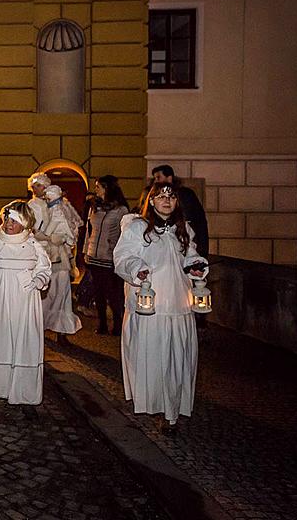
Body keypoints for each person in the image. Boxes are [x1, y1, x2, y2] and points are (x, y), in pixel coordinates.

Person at [113, 182, 207, 435]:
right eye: (161, 196)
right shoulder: (136, 228)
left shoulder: (183, 229)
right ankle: (154, 402)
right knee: (152, 359)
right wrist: (137, 269)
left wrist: (195, 265)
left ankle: (172, 413)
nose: (167, 200)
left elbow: (190, 255)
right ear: (151, 200)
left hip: (178, 306)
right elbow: (123, 257)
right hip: (150, 308)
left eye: (172, 196)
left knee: (176, 361)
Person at [0, 200, 52, 406]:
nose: (8, 224)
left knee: (21, 341)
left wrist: (38, 280)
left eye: (13, 220)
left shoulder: (34, 246)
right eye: (6, 219)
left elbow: (44, 269)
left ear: (24, 223)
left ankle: (21, 389)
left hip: (24, 302)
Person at [84, 175, 130, 336]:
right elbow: (90, 231)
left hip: (110, 258)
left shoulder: (121, 210)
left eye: (98, 187)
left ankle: (118, 324)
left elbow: (124, 233)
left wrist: (118, 252)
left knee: (114, 294)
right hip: (94, 256)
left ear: (107, 189)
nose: (96, 189)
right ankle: (102, 323)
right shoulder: (95, 207)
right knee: (99, 293)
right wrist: (86, 251)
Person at [41, 185, 83, 342]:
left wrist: (51, 237)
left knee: (57, 294)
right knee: (55, 294)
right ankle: (55, 329)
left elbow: (67, 232)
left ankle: (57, 329)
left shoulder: (59, 209)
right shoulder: (58, 208)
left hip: (59, 257)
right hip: (54, 256)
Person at [151, 165, 208, 257]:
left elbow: (199, 222)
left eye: (158, 177)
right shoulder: (140, 226)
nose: (167, 202)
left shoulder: (185, 196)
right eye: (161, 197)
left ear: (169, 178)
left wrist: (201, 252)